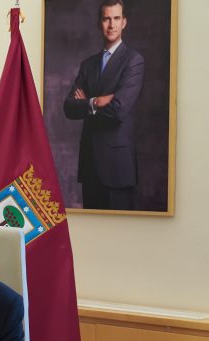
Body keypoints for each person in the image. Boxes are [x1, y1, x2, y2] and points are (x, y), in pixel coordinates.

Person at [63, 0, 145, 210]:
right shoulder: (88, 64)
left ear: (124, 22)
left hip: (117, 168)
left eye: (116, 18)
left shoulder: (133, 60)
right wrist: (97, 101)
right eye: (106, 19)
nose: (111, 24)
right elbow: (69, 107)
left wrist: (86, 104)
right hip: (90, 165)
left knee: (119, 230)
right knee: (92, 229)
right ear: (99, 23)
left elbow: (118, 110)